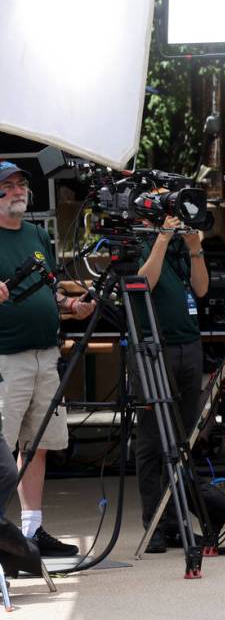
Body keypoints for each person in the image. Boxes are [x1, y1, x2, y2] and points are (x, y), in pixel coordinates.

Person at [0, 160, 95, 556]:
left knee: (36, 443)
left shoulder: (38, 235)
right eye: (9, 185)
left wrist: (71, 305)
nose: (19, 190)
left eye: (21, 184)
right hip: (6, 360)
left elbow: (50, 290)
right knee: (1, 450)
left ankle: (31, 531)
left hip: (46, 355)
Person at [133, 215, 209, 552]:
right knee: (153, 438)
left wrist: (194, 250)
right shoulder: (136, 241)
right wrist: (162, 238)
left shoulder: (181, 244)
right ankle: (156, 523)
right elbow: (143, 284)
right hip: (153, 347)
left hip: (188, 345)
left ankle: (178, 520)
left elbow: (201, 289)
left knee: (183, 438)